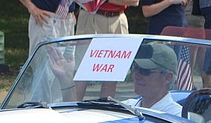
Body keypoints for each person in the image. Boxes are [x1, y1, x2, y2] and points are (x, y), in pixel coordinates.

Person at [51, 42, 182, 115]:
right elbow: (79, 118)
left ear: (167, 77)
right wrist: (66, 80)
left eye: (144, 71)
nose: (136, 75)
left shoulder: (177, 116)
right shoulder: (128, 106)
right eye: (135, 68)